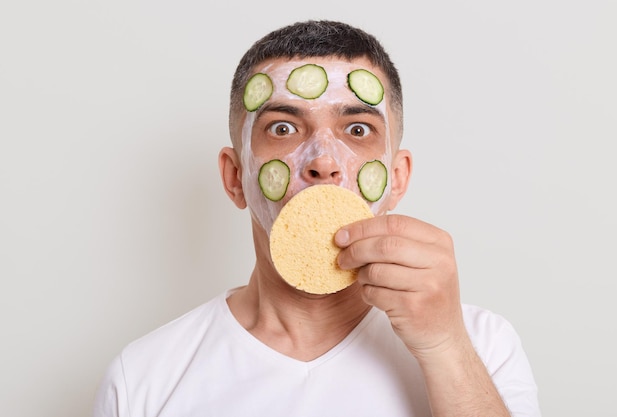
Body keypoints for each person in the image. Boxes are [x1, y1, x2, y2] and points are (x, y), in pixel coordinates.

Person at [92, 20, 541, 417]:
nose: (323, 163)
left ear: (397, 180)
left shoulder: (481, 346)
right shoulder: (145, 377)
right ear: (234, 178)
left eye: (358, 129)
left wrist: (444, 348)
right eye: (283, 128)